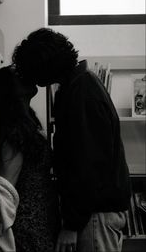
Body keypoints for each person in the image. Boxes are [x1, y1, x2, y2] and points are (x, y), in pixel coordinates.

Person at [12, 28, 131, 252]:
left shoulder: (81, 92)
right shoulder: (80, 84)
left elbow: (89, 165)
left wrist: (72, 225)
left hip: (94, 215)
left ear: (44, 66)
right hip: (93, 213)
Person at [0, 65, 61, 252]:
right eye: (19, 76)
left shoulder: (26, 121)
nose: (28, 77)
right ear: (12, 88)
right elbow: (6, 188)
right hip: (27, 224)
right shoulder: (13, 131)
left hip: (41, 217)